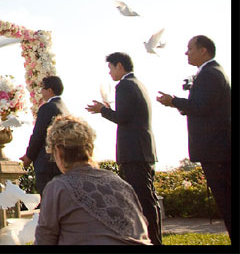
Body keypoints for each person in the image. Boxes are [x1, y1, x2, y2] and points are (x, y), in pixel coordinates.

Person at [156, 35, 231, 241]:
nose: (186, 53)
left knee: (228, 204)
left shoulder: (210, 73)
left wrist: (174, 101)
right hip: (216, 151)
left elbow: (201, 106)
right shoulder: (210, 72)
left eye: (190, 48)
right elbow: (202, 106)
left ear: (203, 50)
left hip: (216, 151)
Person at [34, 115, 152, 245]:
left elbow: (44, 239)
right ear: (90, 148)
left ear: (59, 150)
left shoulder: (58, 187)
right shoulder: (120, 183)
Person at [86, 52, 162, 245]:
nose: (110, 73)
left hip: (134, 151)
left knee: (142, 200)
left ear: (120, 66)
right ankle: (153, 238)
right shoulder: (137, 84)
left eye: (111, 68)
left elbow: (122, 117)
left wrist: (101, 110)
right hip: (143, 149)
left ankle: (152, 239)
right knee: (148, 198)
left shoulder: (124, 86)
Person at [20, 75, 69, 198]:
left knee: (48, 200)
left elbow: (38, 135)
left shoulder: (47, 108)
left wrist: (29, 156)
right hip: (60, 161)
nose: (41, 92)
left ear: (50, 90)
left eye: (42, 88)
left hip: (46, 164)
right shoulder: (64, 108)